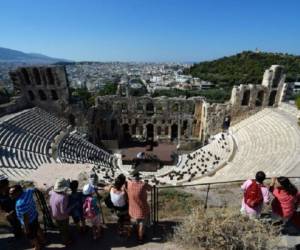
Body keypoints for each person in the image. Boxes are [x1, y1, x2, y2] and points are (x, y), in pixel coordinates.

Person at [9, 185, 45, 250]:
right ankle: (43, 240)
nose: (10, 195)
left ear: (19, 192)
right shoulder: (28, 192)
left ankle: (37, 246)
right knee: (37, 228)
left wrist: (26, 228)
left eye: (12, 193)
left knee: (31, 236)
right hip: (34, 215)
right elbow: (34, 189)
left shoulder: (20, 204)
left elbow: (25, 218)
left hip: (29, 221)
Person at [127, 171, 152, 243]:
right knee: (142, 225)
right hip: (142, 210)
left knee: (135, 222)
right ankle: (140, 238)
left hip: (132, 209)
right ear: (139, 177)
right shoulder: (142, 185)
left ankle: (130, 234)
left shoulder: (129, 184)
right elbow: (150, 188)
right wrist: (144, 182)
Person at [49, 178, 71, 246]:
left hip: (54, 214)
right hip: (62, 217)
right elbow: (63, 211)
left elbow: (49, 191)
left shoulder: (52, 192)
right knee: (65, 229)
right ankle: (66, 241)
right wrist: (71, 207)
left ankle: (62, 234)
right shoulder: (63, 197)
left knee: (60, 227)